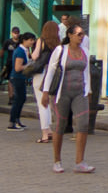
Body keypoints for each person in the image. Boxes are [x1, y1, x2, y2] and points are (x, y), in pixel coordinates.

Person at [40, 21, 95, 173]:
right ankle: (57, 161)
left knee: (83, 124)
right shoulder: (60, 50)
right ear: (70, 35)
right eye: (78, 34)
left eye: (83, 34)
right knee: (60, 125)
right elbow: (51, 71)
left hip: (80, 92)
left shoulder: (85, 51)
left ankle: (80, 161)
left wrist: (88, 90)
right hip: (62, 93)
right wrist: (45, 92)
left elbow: (86, 72)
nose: (81, 37)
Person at [32, 20, 62, 144]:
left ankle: (45, 132)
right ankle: (50, 129)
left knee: (42, 103)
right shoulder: (58, 44)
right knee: (50, 104)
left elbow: (34, 56)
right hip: (54, 75)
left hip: (41, 74)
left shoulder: (41, 40)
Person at [7, 32, 36, 131]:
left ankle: (17, 120)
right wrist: (29, 65)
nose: (32, 42)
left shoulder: (25, 50)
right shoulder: (20, 51)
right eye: (31, 40)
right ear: (24, 40)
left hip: (20, 78)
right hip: (17, 77)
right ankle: (12, 122)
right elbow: (17, 67)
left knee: (21, 99)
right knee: (18, 99)